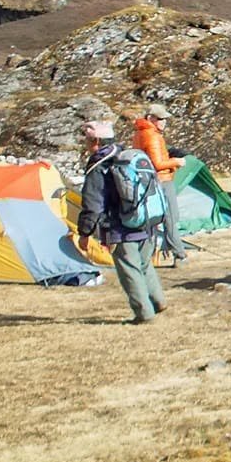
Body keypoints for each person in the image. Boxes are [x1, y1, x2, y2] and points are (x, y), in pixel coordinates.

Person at [76, 120, 167, 324]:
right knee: (144, 264)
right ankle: (158, 300)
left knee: (129, 270)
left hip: (120, 227)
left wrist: (84, 233)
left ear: (96, 141)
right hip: (146, 221)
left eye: (87, 140)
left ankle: (144, 314)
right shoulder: (126, 155)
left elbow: (93, 204)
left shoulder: (99, 166)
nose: (86, 144)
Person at [133, 104, 187, 263]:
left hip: (147, 181)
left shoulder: (139, 133)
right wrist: (176, 161)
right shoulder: (153, 136)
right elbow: (157, 164)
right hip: (162, 181)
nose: (164, 122)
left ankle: (146, 256)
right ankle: (179, 254)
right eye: (161, 119)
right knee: (170, 218)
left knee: (151, 219)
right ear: (151, 118)